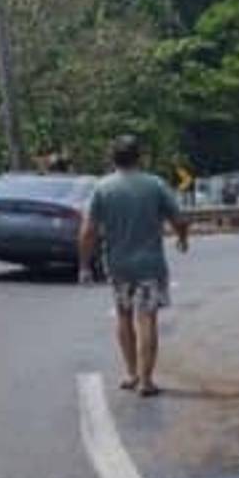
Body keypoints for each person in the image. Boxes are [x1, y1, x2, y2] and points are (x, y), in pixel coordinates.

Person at [79, 135, 190, 397]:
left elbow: (88, 231)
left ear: (112, 159)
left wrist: (84, 265)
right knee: (147, 319)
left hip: (118, 265)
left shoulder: (102, 188)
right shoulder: (155, 185)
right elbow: (179, 219)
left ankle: (131, 373)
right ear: (139, 157)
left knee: (124, 315)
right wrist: (182, 239)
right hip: (150, 265)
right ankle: (146, 380)